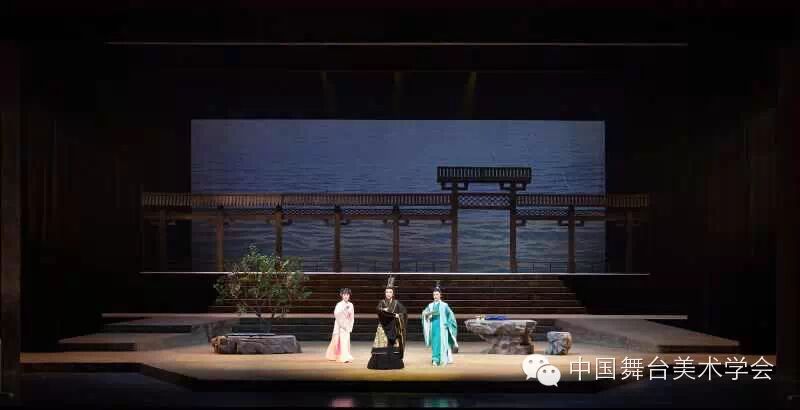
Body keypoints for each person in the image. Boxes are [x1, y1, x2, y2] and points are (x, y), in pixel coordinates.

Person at [367, 276, 408, 370]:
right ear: (385, 293)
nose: (388, 294)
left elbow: (404, 313)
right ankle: (381, 363)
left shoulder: (397, 303)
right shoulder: (381, 303)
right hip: (383, 328)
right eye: (387, 292)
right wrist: (383, 311)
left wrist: (398, 315)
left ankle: (393, 363)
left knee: (393, 346)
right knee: (382, 344)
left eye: (390, 292)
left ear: (393, 293)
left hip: (393, 328)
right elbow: (378, 311)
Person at [421, 281, 458, 367]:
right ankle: (435, 359)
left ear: (440, 295)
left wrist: (448, 323)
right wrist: (427, 314)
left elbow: (451, 316)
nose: (435, 296)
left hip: (442, 327)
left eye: (437, 294)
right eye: (434, 295)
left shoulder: (445, 305)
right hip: (433, 326)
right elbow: (424, 313)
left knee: (443, 344)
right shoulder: (430, 305)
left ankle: (442, 359)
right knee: (435, 344)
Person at [325, 288, 354, 363]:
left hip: (346, 325)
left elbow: (352, 316)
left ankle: (345, 356)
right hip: (339, 325)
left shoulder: (351, 305)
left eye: (347, 294)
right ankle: (338, 356)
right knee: (337, 340)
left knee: (345, 341)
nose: (346, 296)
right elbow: (336, 314)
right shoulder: (339, 304)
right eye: (344, 294)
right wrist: (343, 310)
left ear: (349, 295)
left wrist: (350, 325)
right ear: (341, 295)